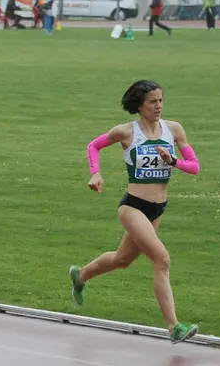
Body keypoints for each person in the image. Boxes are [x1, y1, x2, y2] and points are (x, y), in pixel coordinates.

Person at [69, 80, 200, 344]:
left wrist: (173, 161)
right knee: (161, 260)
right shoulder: (126, 132)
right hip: (133, 207)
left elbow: (194, 166)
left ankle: (80, 276)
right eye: (152, 102)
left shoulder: (174, 130)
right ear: (139, 105)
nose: (159, 106)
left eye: (161, 100)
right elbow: (94, 146)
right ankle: (174, 327)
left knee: (122, 260)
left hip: (157, 209)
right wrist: (95, 173)